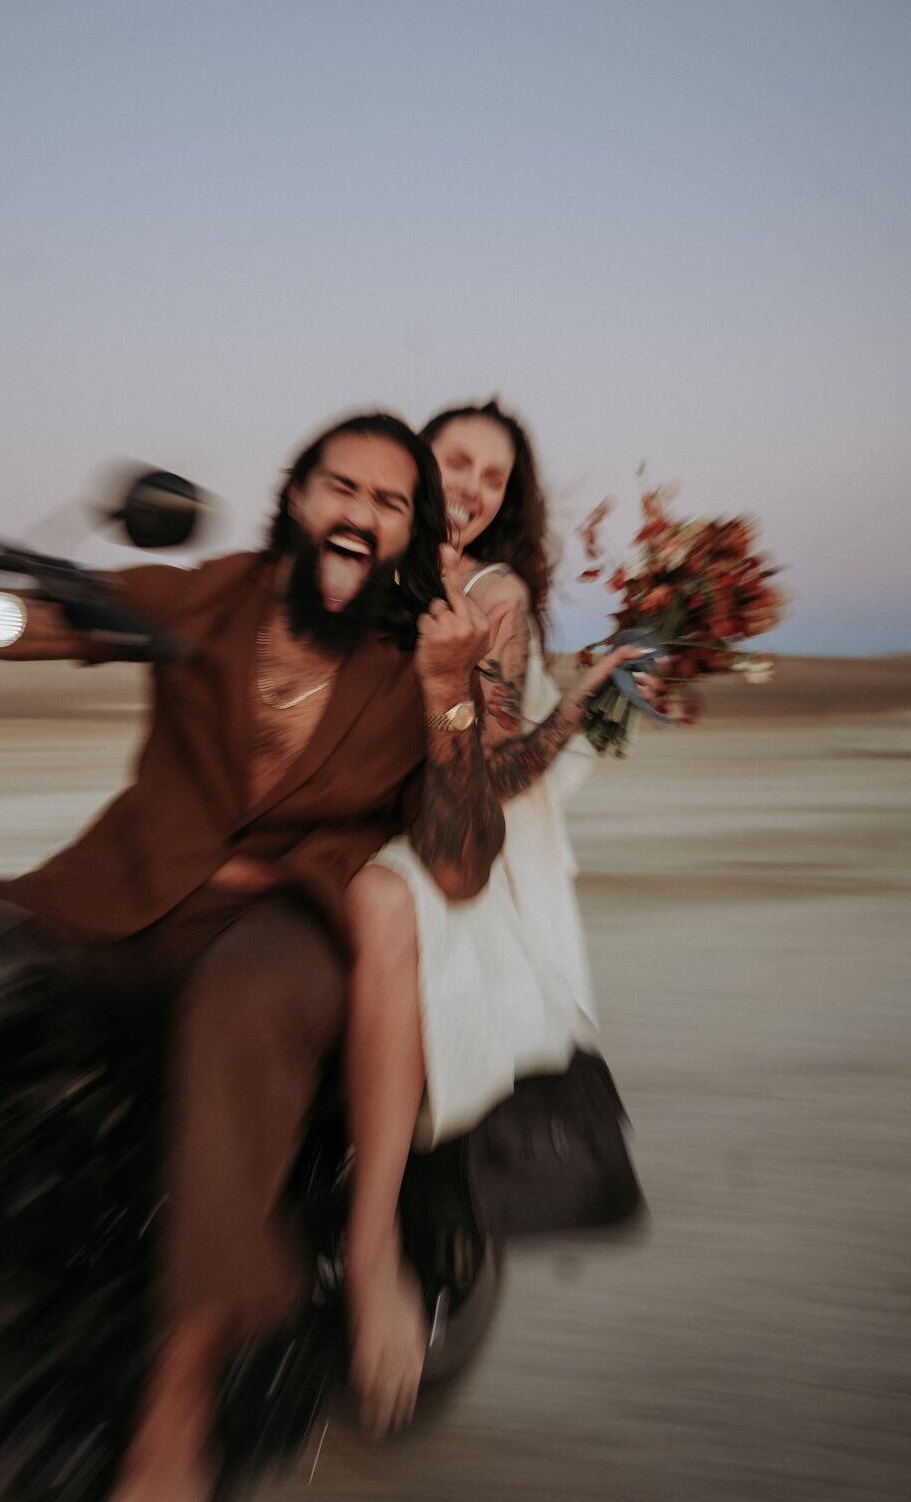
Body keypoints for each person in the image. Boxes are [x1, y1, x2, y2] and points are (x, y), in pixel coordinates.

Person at [0, 412, 506, 1502]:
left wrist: (454, 691)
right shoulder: (221, 590)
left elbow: (457, 865)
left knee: (238, 1007)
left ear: (408, 536)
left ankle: (175, 1405)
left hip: (292, 930)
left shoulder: (419, 654)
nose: (360, 513)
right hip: (130, 893)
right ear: (298, 497)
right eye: (341, 487)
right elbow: (66, 622)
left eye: (389, 501)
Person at [340, 400, 658, 1438]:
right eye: (456, 463)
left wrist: (564, 706)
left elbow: (494, 769)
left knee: (385, 903)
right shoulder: (347, 555)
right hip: (316, 818)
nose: (472, 488)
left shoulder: (493, 594)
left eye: (494, 479)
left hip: (430, 837)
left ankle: (373, 1235)